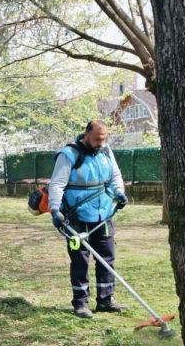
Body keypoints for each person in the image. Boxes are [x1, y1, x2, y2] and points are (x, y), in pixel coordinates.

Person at [48, 120, 129, 318]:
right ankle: (81, 303)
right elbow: (57, 184)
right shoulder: (69, 155)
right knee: (80, 261)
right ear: (86, 134)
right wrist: (55, 209)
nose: (100, 142)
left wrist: (119, 193)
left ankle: (106, 300)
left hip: (104, 215)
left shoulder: (106, 151)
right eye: (96, 139)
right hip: (77, 218)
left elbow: (115, 176)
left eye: (104, 139)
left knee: (107, 257)